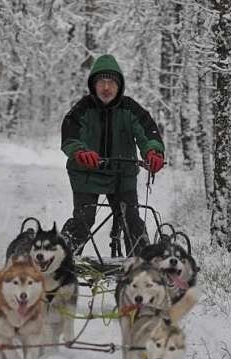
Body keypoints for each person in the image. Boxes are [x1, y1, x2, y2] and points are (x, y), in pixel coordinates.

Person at [60, 54, 165, 257]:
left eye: (111, 82)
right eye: (101, 82)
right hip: (87, 175)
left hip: (121, 175)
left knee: (132, 220)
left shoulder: (130, 109)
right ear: (93, 85)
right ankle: (59, 261)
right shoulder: (82, 109)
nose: (106, 88)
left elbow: (148, 133)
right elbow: (69, 136)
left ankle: (142, 266)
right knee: (84, 220)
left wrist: (153, 152)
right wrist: (80, 152)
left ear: (119, 86)